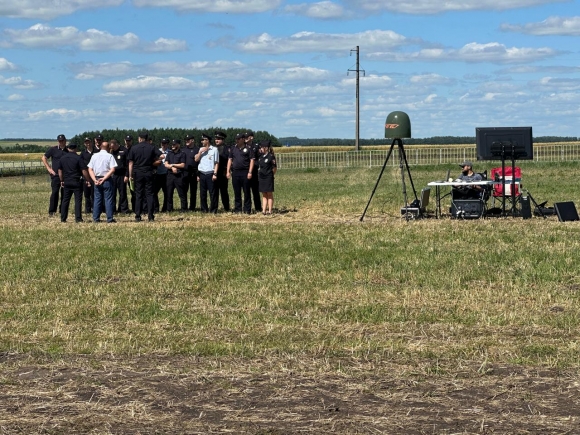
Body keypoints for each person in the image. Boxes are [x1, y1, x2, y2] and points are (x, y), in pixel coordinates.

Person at [128, 131, 163, 222]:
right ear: (147, 139)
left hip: (138, 172)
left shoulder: (134, 148)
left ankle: (138, 215)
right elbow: (162, 156)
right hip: (148, 172)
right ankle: (150, 215)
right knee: (149, 194)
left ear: (139, 138)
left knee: (139, 194)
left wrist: (130, 175)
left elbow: (131, 163)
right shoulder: (151, 147)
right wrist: (153, 162)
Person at [55, 142, 90, 223]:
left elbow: (60, 170)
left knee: (65, 200)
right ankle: (78, 218)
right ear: (76, 149)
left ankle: (63, 218)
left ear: (68, 148)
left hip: (67, 181)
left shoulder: (63, 158)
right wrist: (87, 179)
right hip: (76, 181)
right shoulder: (78, 158)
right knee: (78, 200)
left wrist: (62, 180)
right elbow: (84, 170)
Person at [87, 141, 117, 223]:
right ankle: (110, 218)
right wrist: (104, 178)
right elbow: (113, 169)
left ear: (100, 147)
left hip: (96, 179)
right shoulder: (110, 156)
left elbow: (90, 169)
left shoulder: (94, 156)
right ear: (108, 148)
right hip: (106, 179)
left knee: (97, 199)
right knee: (108, 199)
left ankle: (96, 218)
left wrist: (94, 180)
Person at [227, 132, 255, 214]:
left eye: (238, 139)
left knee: (246, 191)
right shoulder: (233, 148)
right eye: (236, 139)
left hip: (245, 172)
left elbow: (252, 160)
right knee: (237, 192)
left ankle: (247, 209)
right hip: (235, 172)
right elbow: (230, 160)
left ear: (243, 139)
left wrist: (250, 172)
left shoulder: (248, 148)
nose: (237, 140)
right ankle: (238, 209)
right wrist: (228, 171)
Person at [41, 134, 68, 216]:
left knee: (65, 193)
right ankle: (52, 211)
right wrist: (49, 169)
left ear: (65, 141)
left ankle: (62, 210)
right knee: (55, 192)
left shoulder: (68, 151)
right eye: (59, 141)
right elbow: (44, 158)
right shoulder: (53, 149)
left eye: (62, 140)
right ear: (58, 141)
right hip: (55, 175)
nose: (61, 142)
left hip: (66, 175)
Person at [195, 133, 219, 213]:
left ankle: (213, 209)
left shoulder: (214, 149)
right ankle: (204, 209)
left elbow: (216, 163)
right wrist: (200, 152)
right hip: (202, 173)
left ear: (207, 141)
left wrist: (215, 174)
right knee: (202, 193)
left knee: (212, 193)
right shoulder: (200, 149)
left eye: (203, 140)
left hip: (210, 173)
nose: (202, 141)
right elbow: (196, 160)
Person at [164, 139, 187, 212]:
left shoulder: (182, 153)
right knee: (169, 193)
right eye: (172, 144)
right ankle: (169, 209)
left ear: (178, 145)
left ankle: (183, 208)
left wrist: (173, 165)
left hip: (179, 176)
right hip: (170, 176)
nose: (172, 146)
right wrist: (171, 167)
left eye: (174, 144)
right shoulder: (169, 153)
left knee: (181, 193)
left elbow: (183, 165)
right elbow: (166, 164)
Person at [212, 131, 231, 212]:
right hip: (214, 173)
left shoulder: (227, 149)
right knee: (214, 192)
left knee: (224, 192)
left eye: (219, 139)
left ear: (223, 140)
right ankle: (214, 208)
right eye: (216, 139)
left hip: (223, 173)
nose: (216, 140)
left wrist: (228, 171)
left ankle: (226, 207)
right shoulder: (212, 148)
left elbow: (229, 160)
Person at [110, 139, 130, 214]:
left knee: (122, 193)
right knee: (113, 193)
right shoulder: (111, 151)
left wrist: (127, 175)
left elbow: (128, 164)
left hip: (122, 175)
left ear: (116, 144)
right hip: (113, 175)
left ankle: (123, 209)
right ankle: (113, 209)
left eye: (113, 147)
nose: (112, 148)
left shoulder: (124, 150)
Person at [257, 140, 277, 215]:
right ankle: (264, 210)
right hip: (261, 177)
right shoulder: (261, 157)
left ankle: (270, 210)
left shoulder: (271, 157)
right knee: (264, 194)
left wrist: (271, 175)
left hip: (268, 177)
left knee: (269, 194)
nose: (260, 149)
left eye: (261, 147)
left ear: (265, 148)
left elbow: (274, 168)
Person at [245, 130, 262, 212]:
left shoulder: (256, 146)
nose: (245, 139)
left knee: (255, 190)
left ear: (251, 137)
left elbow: (260, 157)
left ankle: (258, 208)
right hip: (245, 171)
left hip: (254, 171)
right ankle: (247, 208)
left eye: (247, 137)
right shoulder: (243, 147)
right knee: (246, 191)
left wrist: (256, 165)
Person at [182, 134, 199, 211]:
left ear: (192, 140)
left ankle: (192, 207)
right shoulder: (183, 150)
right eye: (186, 140)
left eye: (188, 140)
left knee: (193, 191)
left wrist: (198, 174)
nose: (186, 141)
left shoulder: (197, 150)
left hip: (194, 173)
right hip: (185, 173)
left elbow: (199, 163)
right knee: (184, 190)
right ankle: (184, 207)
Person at [80, 137, 96, 214]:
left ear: (91, 142)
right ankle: (87, 208)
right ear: (84, 144)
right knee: (87, 194)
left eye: (89, 142)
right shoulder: (83, 153)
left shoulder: (96, 152)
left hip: (95, 174)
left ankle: (95, 208)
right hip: (86, 175)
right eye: (86, 143)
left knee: (94, 193)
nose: (88, 144)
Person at [154, 138, 170, 213]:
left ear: (167, 144)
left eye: (165, 143)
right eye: (162, 143)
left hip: (166, 174)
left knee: (166, 192)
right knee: (154, 192)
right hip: (157, 174)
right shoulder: (157, 151)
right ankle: (156, 208)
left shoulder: (170, 152)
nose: (163, 145)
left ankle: (165, 208)